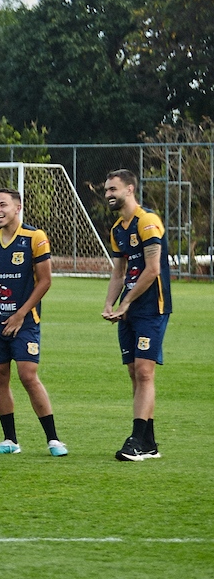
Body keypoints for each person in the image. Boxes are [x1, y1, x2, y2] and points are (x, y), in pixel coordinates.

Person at [0, 189, 67, 457]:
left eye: (3, 205)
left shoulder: (35, 237)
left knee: (27, 374)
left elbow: (45, 281)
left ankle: (54, 439)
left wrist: (21, 314)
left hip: (25, 320)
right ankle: (10, 440)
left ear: (17, 207)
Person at [101, 169, 171, 461]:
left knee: (144, 372)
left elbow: (152, 269)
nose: (108, 195)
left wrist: (126, 302)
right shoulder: (118, 228)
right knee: (134, 373)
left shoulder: (148, 221)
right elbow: (119, 272)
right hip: (128, 310)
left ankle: (135, 440)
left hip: (151, 308)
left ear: (130, 189)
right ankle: (149, 442)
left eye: (113, 189)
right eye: (106, 190)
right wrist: (109, 304)